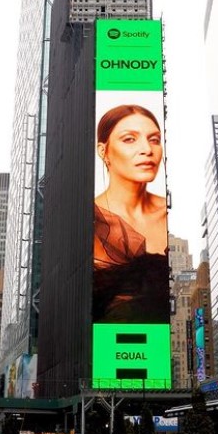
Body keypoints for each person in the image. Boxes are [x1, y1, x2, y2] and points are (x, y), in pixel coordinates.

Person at [93, 104, 169, 323]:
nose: (147, 149)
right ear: (103, 151)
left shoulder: (169, 214)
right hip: (106, 347)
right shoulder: (88, 221)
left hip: (157, 347)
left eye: (154, 139)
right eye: (129, 139)